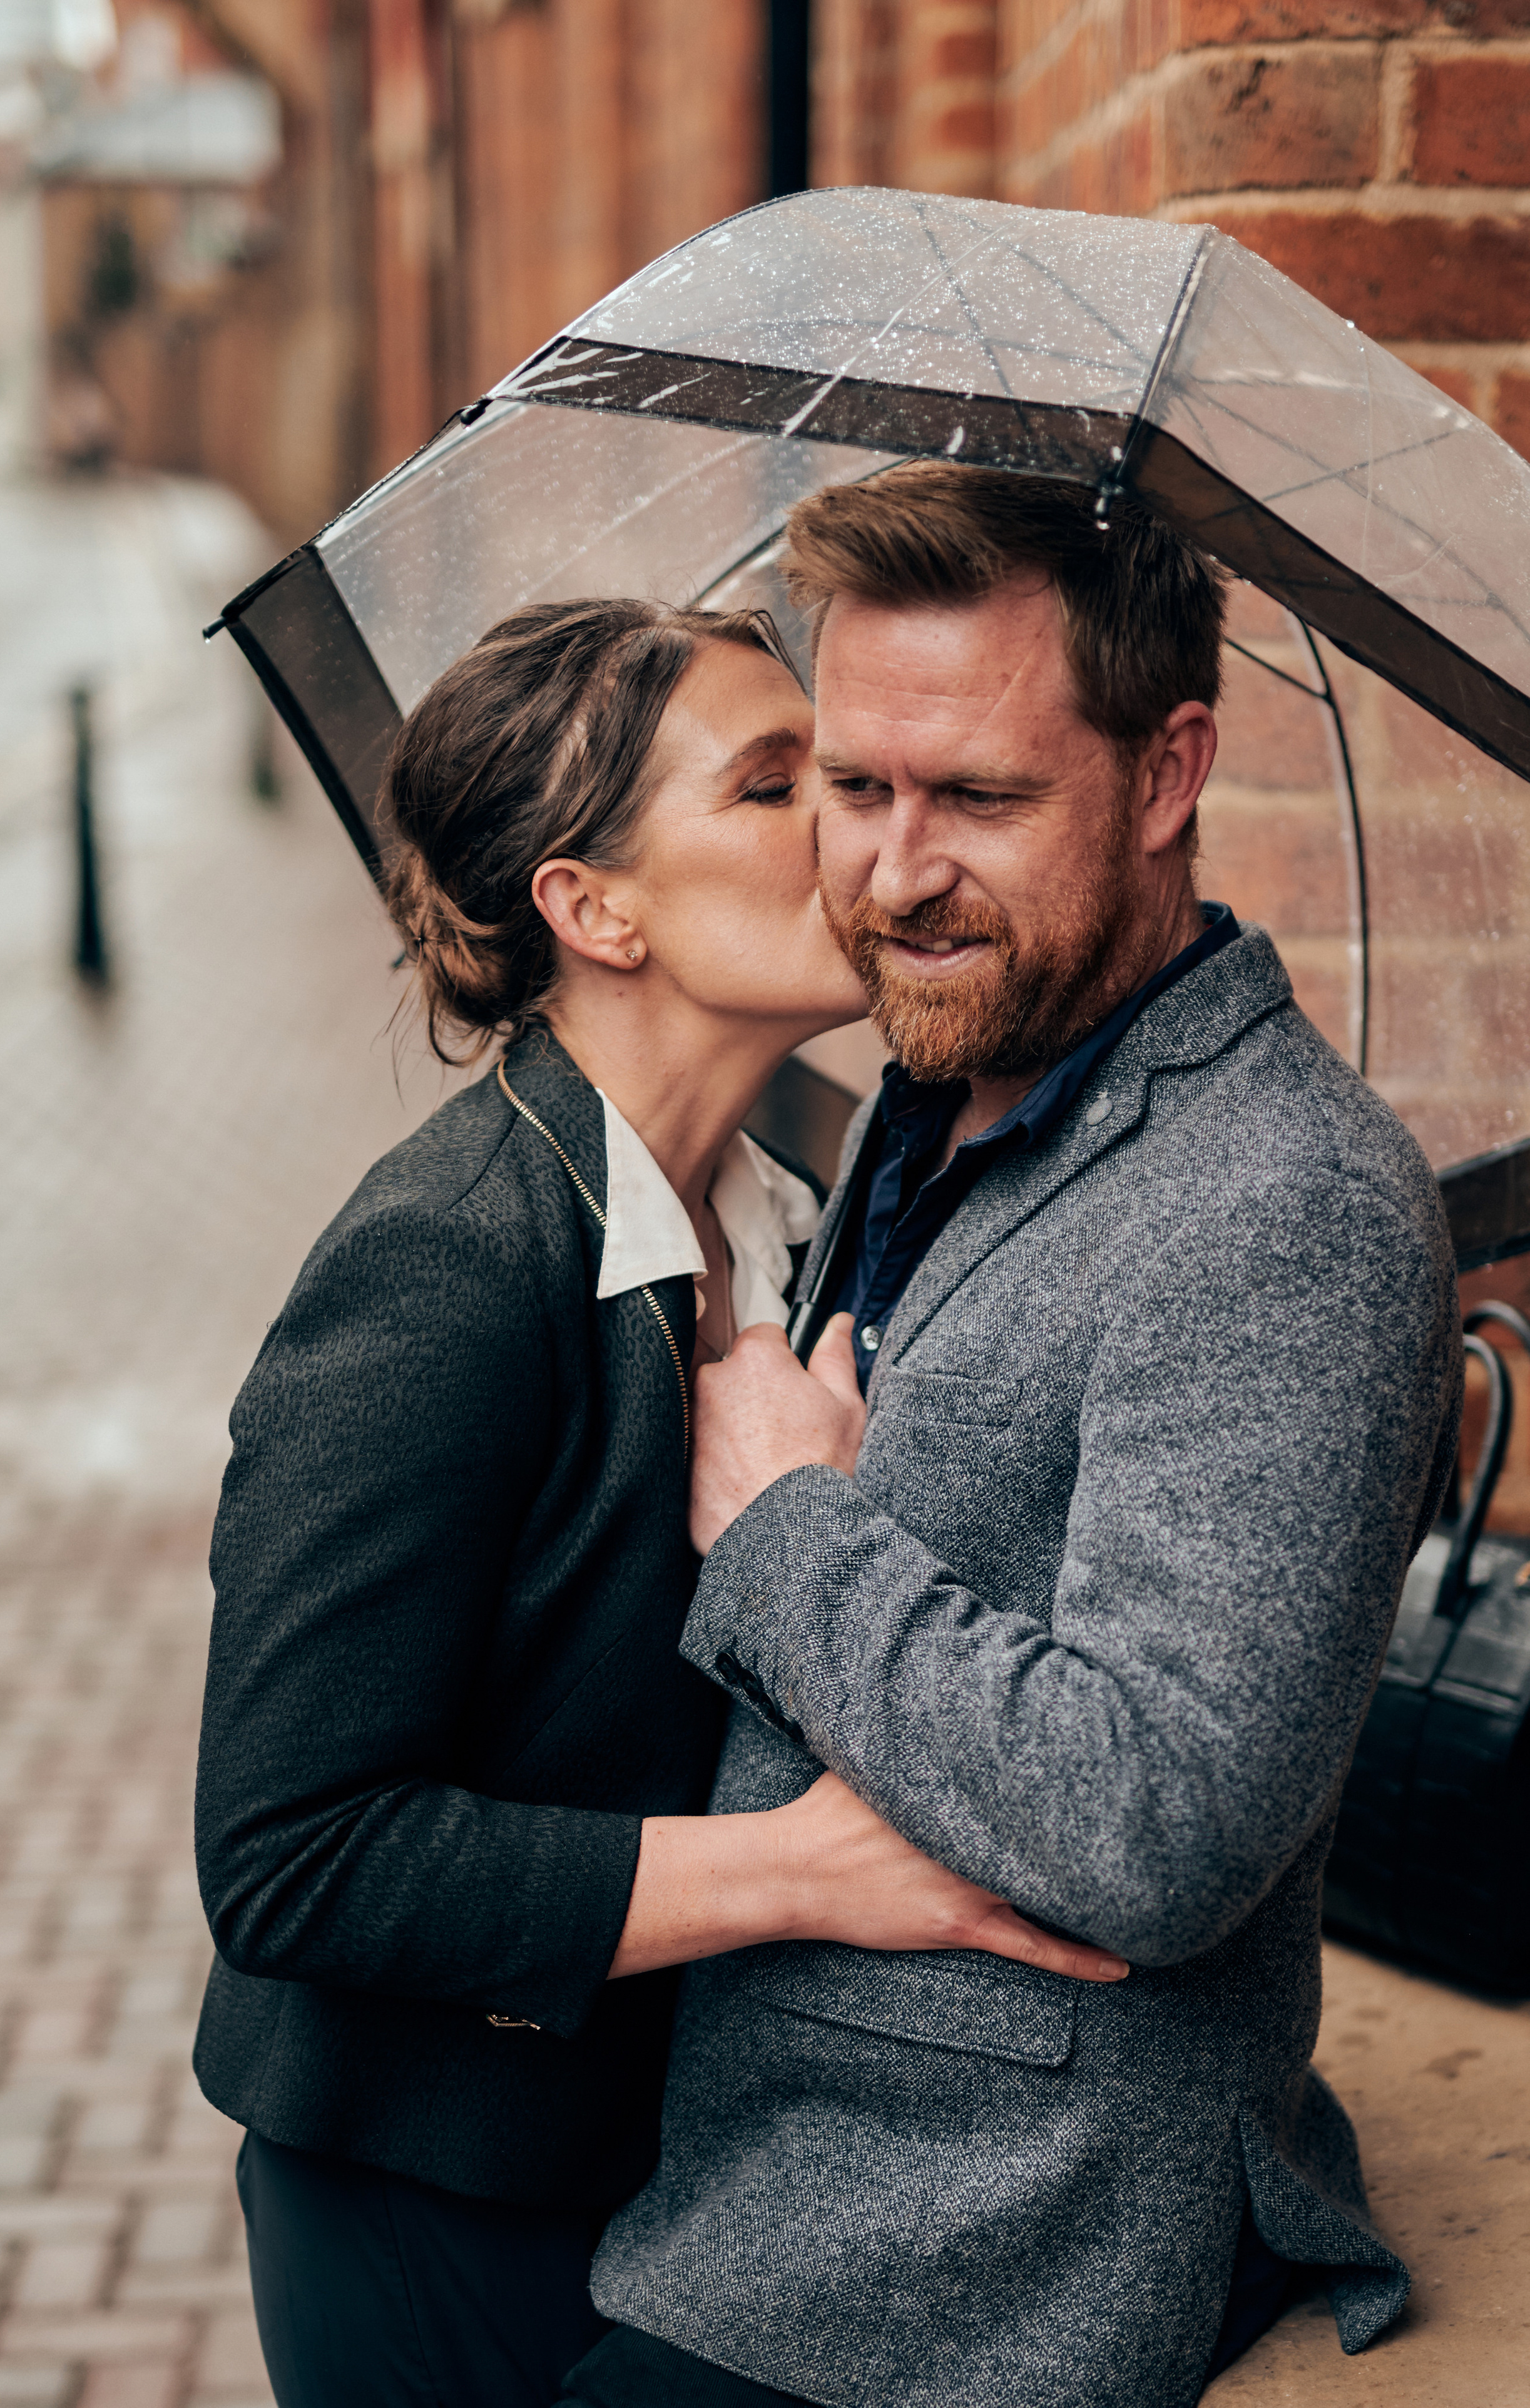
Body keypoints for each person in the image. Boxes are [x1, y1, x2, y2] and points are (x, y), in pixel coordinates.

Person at [571, 471, 1464, 2408]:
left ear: (1168, 774)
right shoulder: (951, 1083)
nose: (894, 874)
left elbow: (1158, 1823)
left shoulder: (1285, 1207)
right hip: (746, 2152)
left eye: (978, 800)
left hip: (987, 2254)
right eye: (856, 787)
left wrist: (793, 1526)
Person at [191, 596, 1129, 2408]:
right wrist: (809, 1878)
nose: (854, 829)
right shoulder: (446, 1272)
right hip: (431, 2194)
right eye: (778, 783)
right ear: (593, 908)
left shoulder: (821, 1219)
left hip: (691, 2171)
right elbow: (292, 1856)